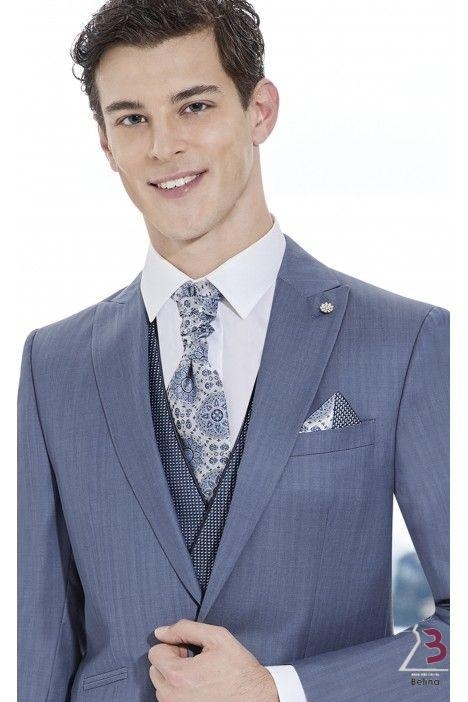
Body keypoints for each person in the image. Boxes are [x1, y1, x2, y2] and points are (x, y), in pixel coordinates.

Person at [17, 1, 449, 700]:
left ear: (260, 111)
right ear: (105, 144)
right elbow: (35, 650)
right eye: (132, 118)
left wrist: (284, 689)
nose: (163, 146)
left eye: (193, 107)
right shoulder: (53, 366)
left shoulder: (405, 340)